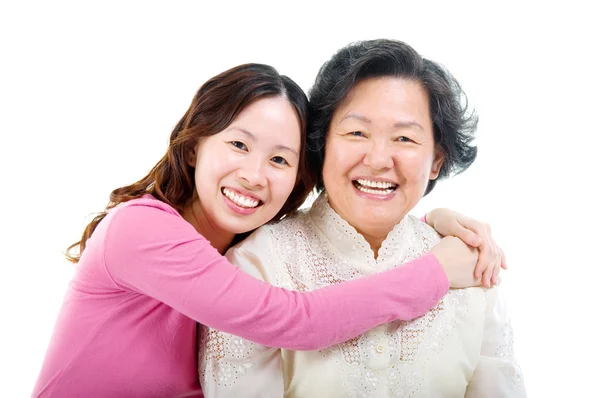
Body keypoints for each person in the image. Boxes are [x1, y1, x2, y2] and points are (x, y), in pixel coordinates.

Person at [33, 63, 502, 398]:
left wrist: (427, 224)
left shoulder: (238, 243)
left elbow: (360, 227)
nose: (255, 175)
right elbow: (296, 320)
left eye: (279, 159)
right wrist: (435, 272)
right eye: (238, 144)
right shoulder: (140, 228)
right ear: (194, 146)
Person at [199, 40, 525, 397]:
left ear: (436, 160)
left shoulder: (472, 266)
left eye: (404, 138)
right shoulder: (257, 264)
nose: (378, 158)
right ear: (322, 144)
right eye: (357, 133)